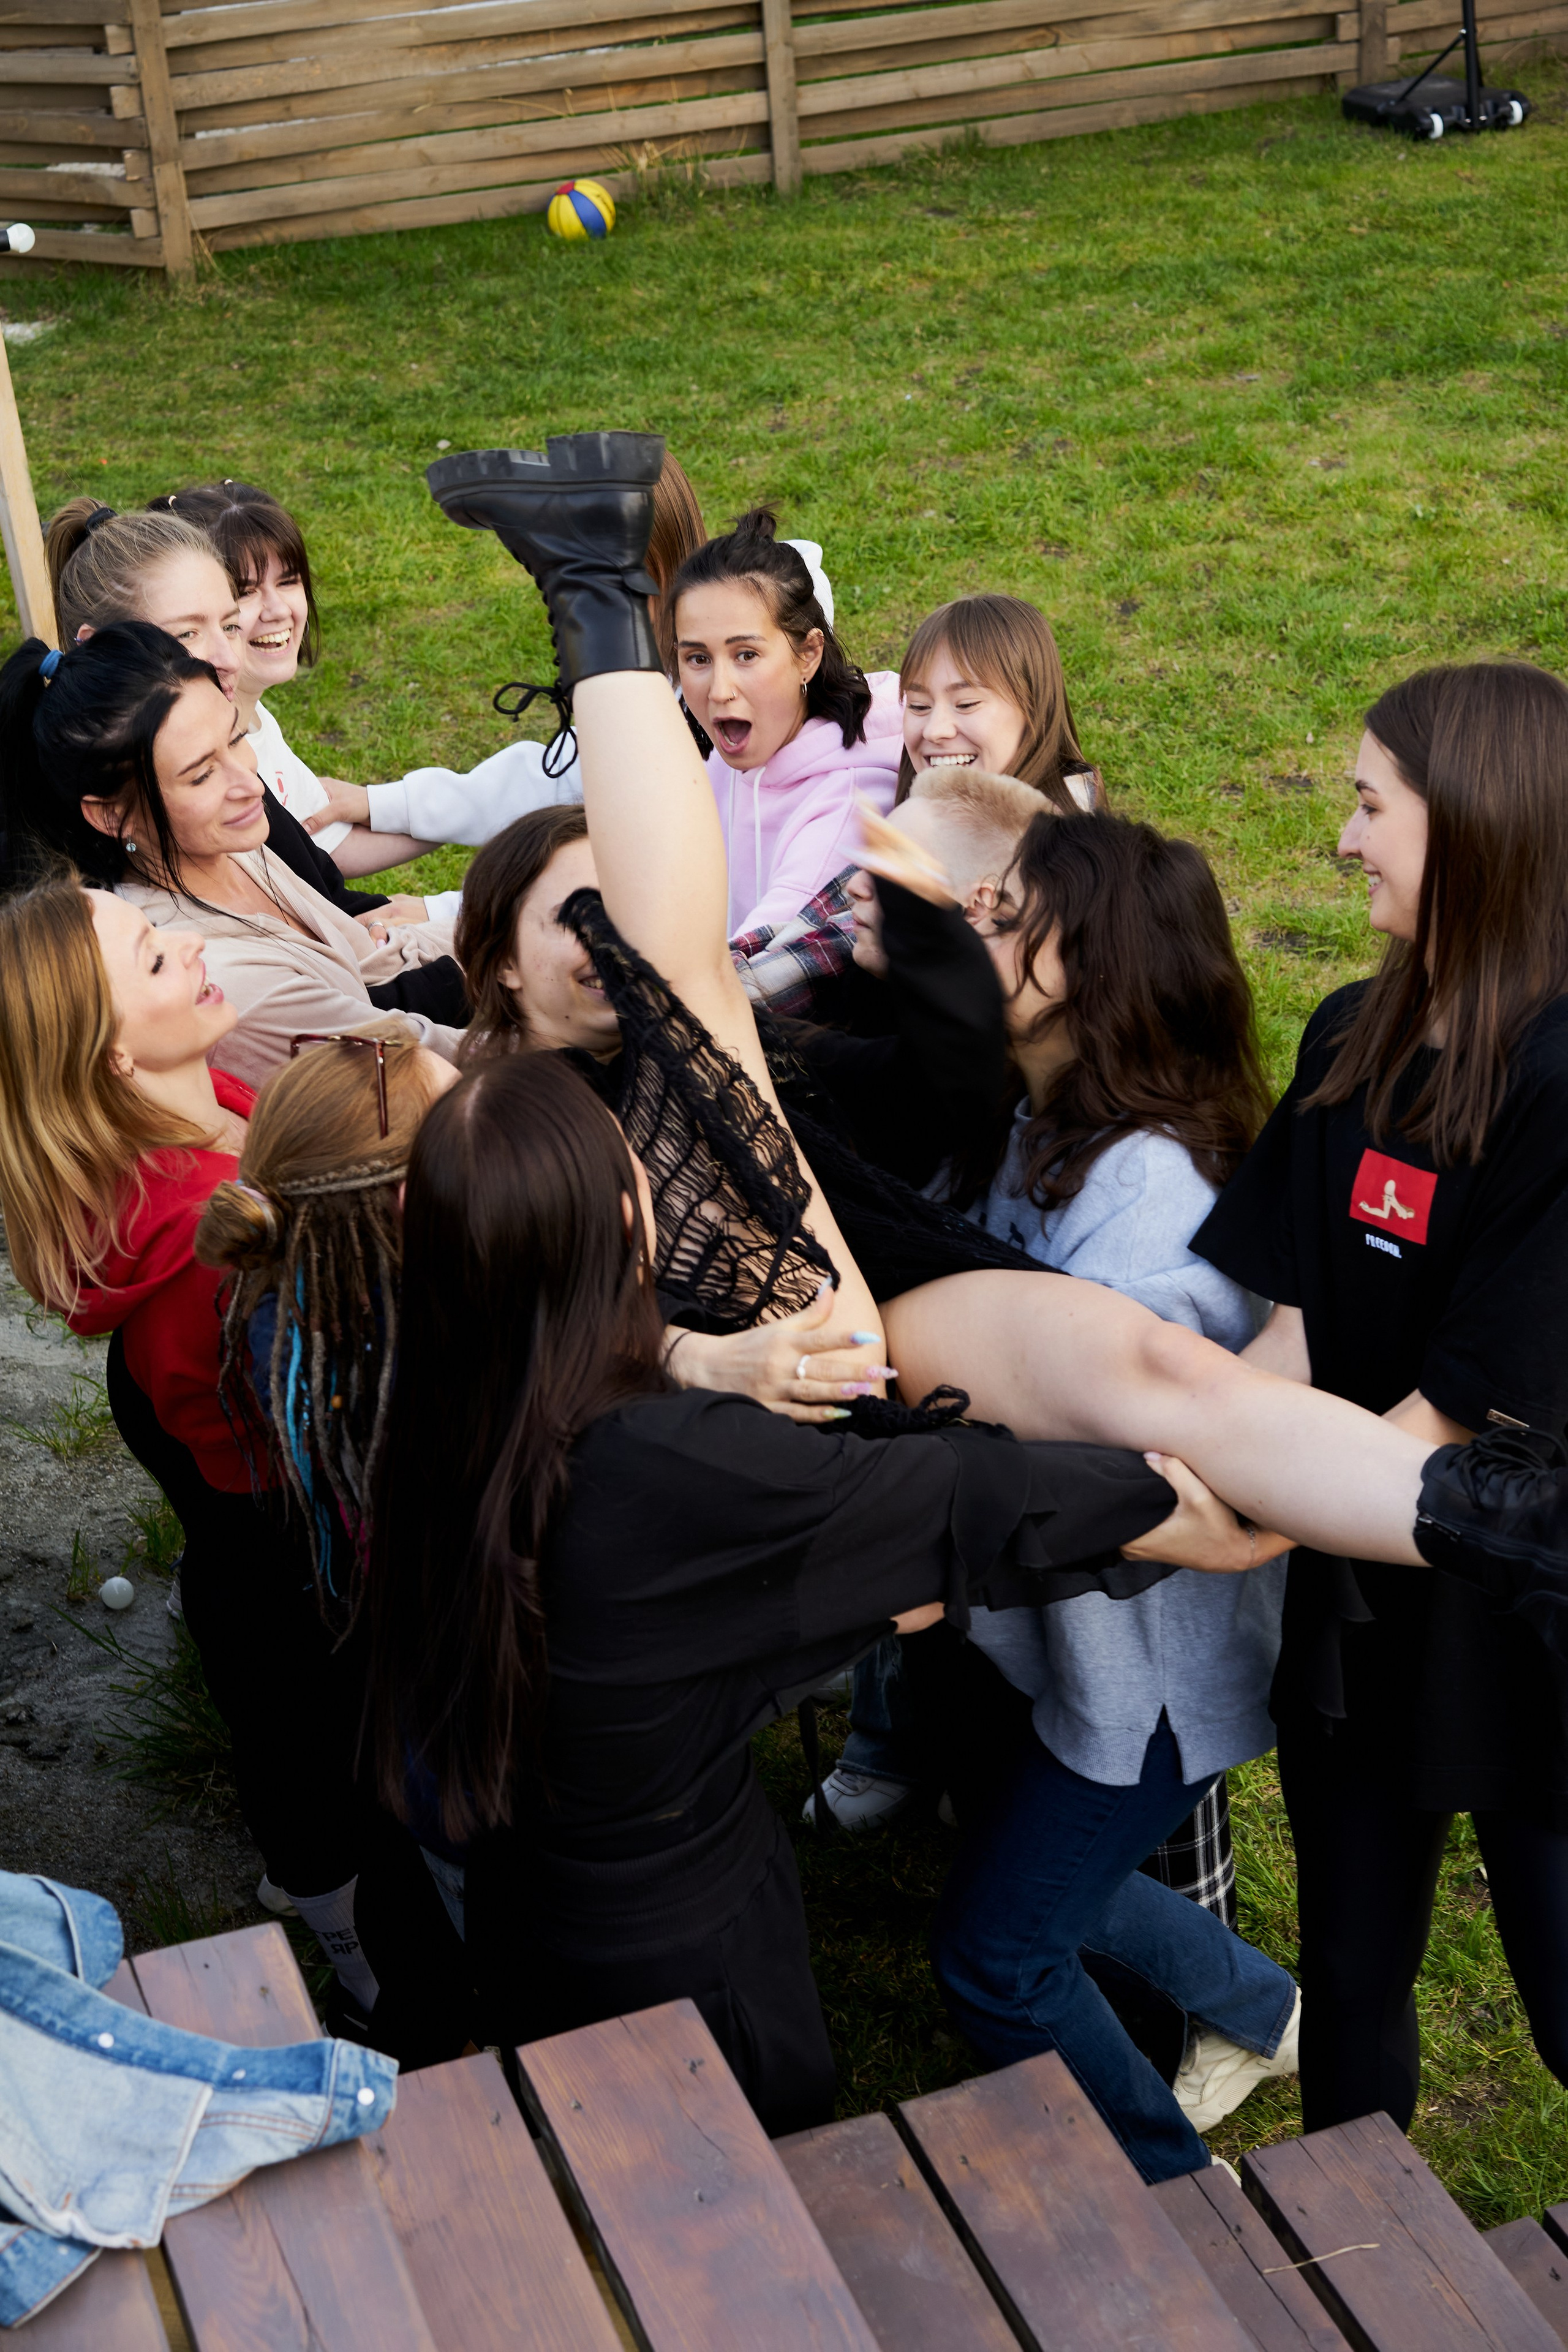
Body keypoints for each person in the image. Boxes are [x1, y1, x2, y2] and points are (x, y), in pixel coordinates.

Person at [1193, 661, 1568, 2137]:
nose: (1339, 836)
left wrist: (1246, 1490)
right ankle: (1343, 2255)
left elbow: (1456, 1421)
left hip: (1516, 1623)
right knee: (1350, 1968)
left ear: (1471, 825)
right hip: (1355, 1616)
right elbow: (1292, 1315)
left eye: (1367, 803)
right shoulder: (1350, 1029)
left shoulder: (1558, 1078)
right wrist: (1187, 1447)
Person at [900, 805, 1301, 2139]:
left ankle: (1184, 2219)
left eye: (1009, 918)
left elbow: (1123, 1468)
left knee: (997, 1959)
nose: (978, 927)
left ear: (1101, 969)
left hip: (1146, 1676)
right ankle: (1265, 2010)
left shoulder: (1156, 1213)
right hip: (1057, 1647)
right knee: (1031, 1872)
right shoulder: (1024, 1118)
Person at [0, 873, 377, 2023]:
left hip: (236, 1487)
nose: (186, 948)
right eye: (154, 960)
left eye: (157, 929)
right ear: (114, 1058)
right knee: (314, 1734)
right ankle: (352, 1933)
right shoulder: (217, 1263)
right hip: (295, 1540)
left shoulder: (186, 1113)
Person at [0, 625, 466, 1085]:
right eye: (202, 775)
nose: (250, 784)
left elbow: (369, 955)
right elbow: (422, 1067)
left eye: (238, 737)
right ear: (113, 816)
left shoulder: (220, 846)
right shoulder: (217, 978)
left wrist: (500, 922)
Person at [45, 493, 398, 924]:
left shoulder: (233, 767)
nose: (229, 658)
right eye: (188, 634)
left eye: (230, 625)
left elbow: (337, 903)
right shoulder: (105, 899)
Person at [667, 507, 902, 940]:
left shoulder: (848, 805)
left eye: (746, 655)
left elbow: (760, 963)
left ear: (808, 655)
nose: (719, 690)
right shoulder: (727, 759)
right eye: (697, 658)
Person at [896, 592, 1100, 810]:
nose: (934, 731)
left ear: (1035, 709)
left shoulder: (1058, 840)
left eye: (966, 704)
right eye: (919, 706)